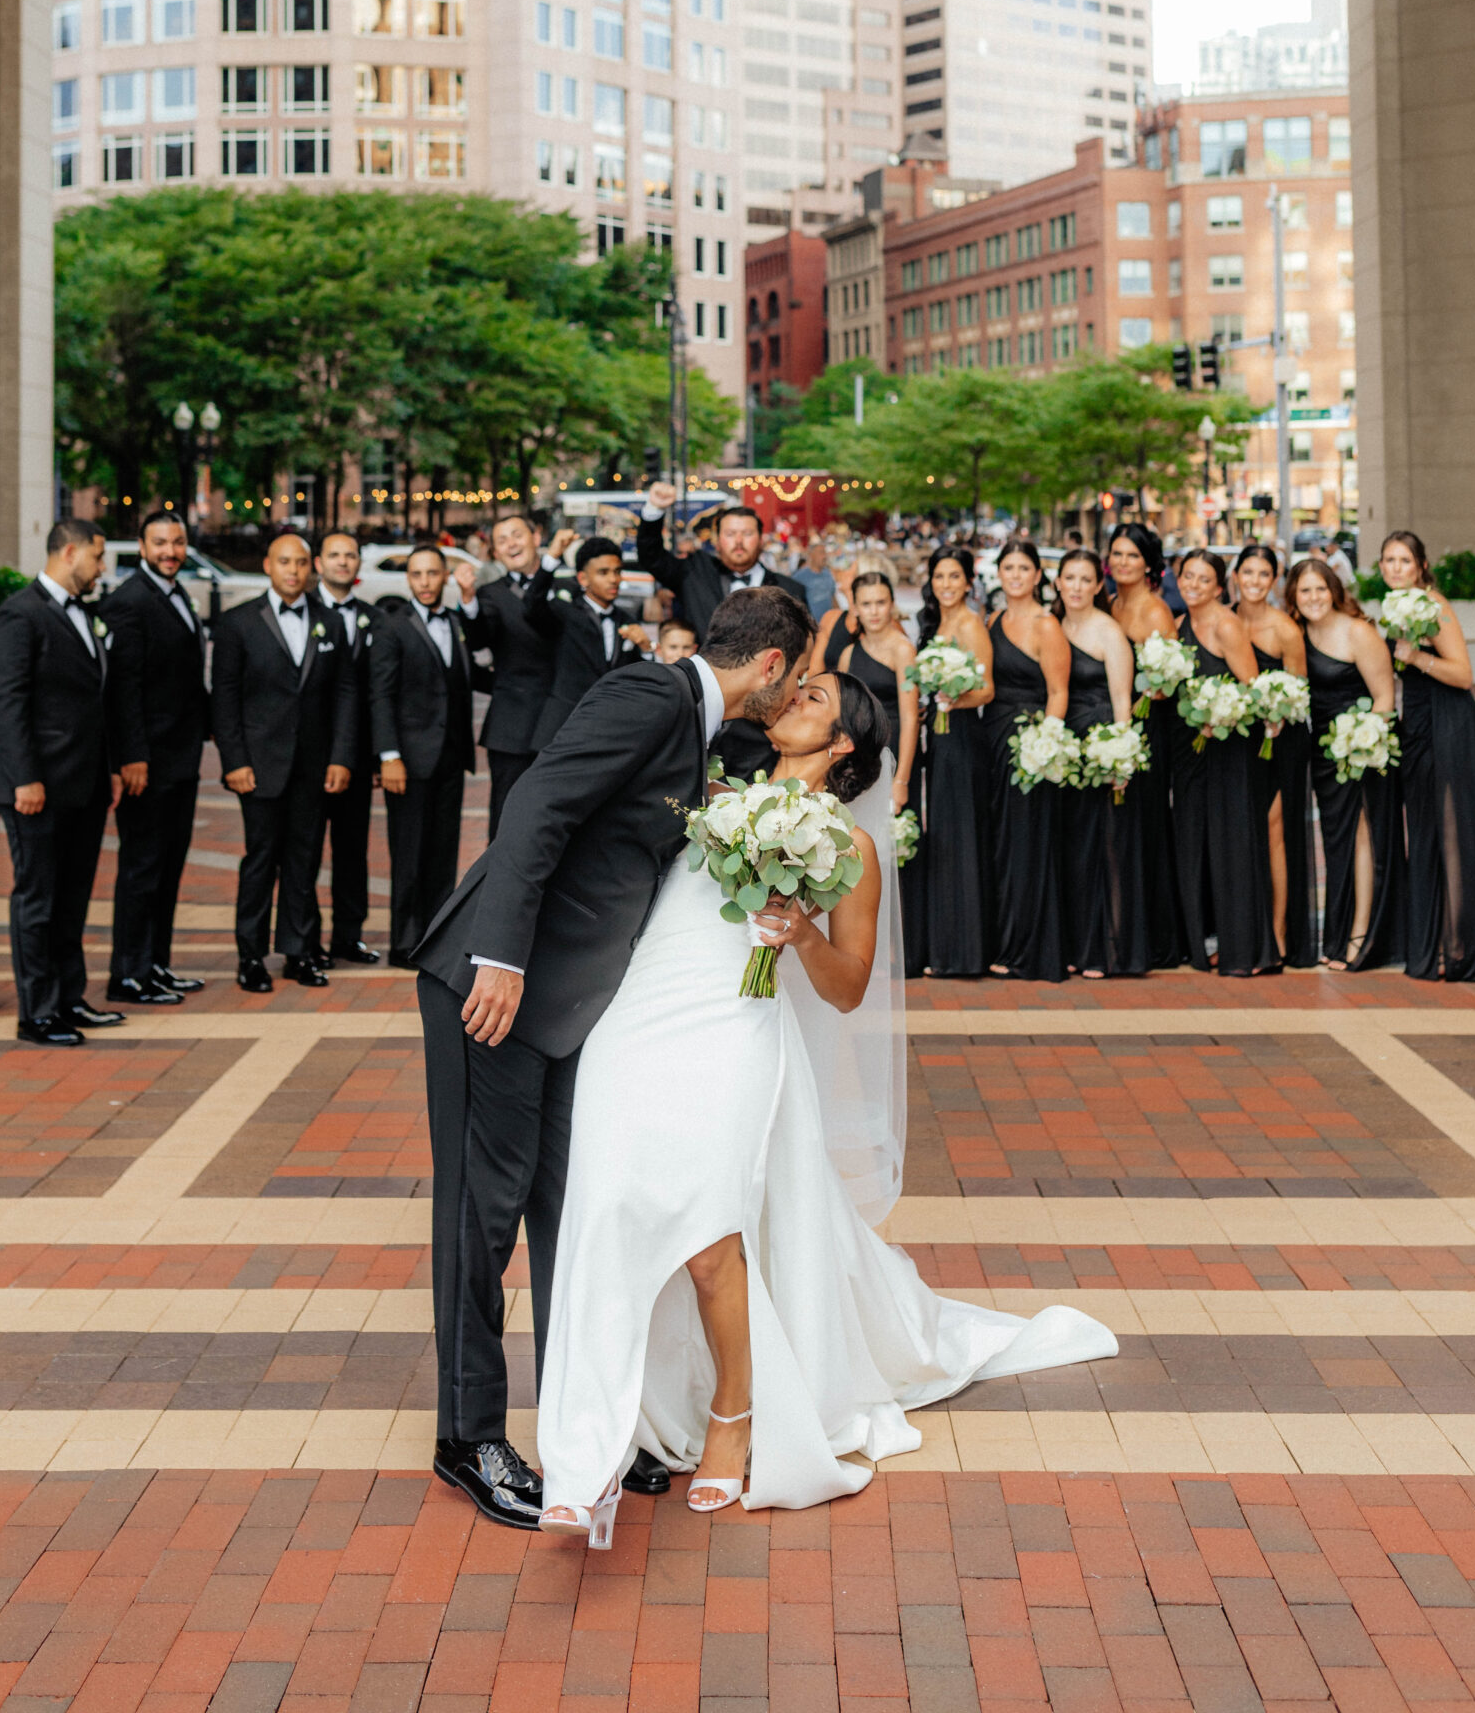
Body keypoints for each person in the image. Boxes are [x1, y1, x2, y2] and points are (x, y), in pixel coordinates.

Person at [535, 666, 1116, 1537]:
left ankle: (732, 1419)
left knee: (705, 1237)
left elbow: (847, 989)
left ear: (842, 744)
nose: (796, 699)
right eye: (798, 686)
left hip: (735, 1027)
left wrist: (801, 932)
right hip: (639, 1021)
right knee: (607, 1209)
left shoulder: (847, 845)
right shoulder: (712, 789)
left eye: (815, 699)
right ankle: (590, 1443)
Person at [413, 584, 817, 1532]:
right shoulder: (649, 694)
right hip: (496, 988)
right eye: (794, 675)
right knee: (484, 1212)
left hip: (571, 1008)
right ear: (768, 667)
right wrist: (501, 956)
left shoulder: (706, 728)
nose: (795, 690)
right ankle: (467, 1438)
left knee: (570, 1213)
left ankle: (581, 1429)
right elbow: (536, 807)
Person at [0, 519, 122, 1046]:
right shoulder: (18, 615)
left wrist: (106, 767)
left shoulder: (84, 613)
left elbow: (93, 704)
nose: (101, 566)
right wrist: (25, 778)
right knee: (37, 900)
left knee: (72, 898)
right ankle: (36, 1012)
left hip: (82, 784)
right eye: (98, 555)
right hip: (35, 786)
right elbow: (8, 703)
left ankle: (69, 997)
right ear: (70, 553)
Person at [211, 530, 362, 993]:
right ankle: (251, 956)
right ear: (267, 566)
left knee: (304, 861)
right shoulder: (238, 623)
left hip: (314, 766)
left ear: (311, 567)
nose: (294, 571)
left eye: (300, 563)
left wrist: (340, 757)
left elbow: (345, 694)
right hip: (259, 766)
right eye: (284, 562)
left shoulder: (330, 622)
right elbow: (224, 698)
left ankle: (298, 951)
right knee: (261, 860)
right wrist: (234, 760)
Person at [104, 509, 209, 1007]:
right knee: (142, 868)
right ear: (142, 547)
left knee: (168, 868)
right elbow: (123, 688)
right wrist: (132, 757)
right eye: (160, 543)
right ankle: (127, 972)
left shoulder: (175, 593)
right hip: (148, 763)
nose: (170, 551)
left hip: (180, 760)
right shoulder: (128, 602)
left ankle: (156, 965)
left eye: (178, 542)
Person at [636, 482, 808, 778]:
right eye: (730, 534)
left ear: (762, 539)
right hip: (700, 718)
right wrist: (654, 511)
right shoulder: (694, 571)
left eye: (747, 534)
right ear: (716, 540)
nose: (738, 541)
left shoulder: (790, 590)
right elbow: (651, 557)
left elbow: (800, 661)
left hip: (763, 730)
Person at [1379, 529, 1475, 982]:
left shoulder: (1434, 605)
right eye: (1388, 560)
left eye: (1404, 561)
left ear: (1421, 565)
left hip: (1453, 724)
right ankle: (1429, 948)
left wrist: (1415, 656)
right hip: (1420, 726)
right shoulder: (1395, 608)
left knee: (1454, 838)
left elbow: (1464, 674)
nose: (1395, 568)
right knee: (1423, 835)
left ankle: (1461, 950)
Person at [1287, 555, 1405, 970]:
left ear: (1334, 591)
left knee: (1362, 839)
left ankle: (1362, 937)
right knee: (1336, 844)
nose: (1314, 597)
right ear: (1294, 597)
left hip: (1362, 751)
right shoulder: (1296, 633)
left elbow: (1385, 699)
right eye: (1305, 590)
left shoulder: (1358, 632)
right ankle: (1336, 938)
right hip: (1322, 751)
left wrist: (1362, 745)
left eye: (1321, 588)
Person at [372, 544, 478, 968]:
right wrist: (389, 755)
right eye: (417, 574)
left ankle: (435, 937)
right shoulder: (391, 627)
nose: (426, 582)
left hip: (451, 756)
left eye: (433, 573)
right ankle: (404, 942)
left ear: (444, 576)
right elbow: (380, 694)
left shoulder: (455, 622)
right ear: (408, 579)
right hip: (410, 760)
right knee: (409, 852)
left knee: (442, 852)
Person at [1173, 550, 1275, 976]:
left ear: (1219, 587)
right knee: (1194, 845)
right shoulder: (1180, 625)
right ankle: (1201, 942)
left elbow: (1255, 693)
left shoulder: (1226, 625)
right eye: (1187, 576)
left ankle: (1241, 949)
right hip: (1191, 751)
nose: (1193, 585)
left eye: (1203, 580)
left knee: (1230, 847)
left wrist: (1223, 717)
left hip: (1228, 752)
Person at [1055, 548, 1150, 979]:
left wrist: (1120, 757)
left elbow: (1122, 701)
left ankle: (1107, 949)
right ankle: (1076, 944)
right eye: (1068, 578)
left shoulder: (1109, 631)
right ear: (1058, 582)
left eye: (1084, 579)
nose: (1075, 587)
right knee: (1072, 850)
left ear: (1098, 585)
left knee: (1104, 849)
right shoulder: (1054, 626)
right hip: (1063, 752)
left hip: (1100, 747)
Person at [904, 546, 993, 979]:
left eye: (954, 576)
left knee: (961, 836)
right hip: (938, 737)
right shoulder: (934, 622)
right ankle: (945, 943)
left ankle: (965, 951)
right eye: (939, 576)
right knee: (943, 835)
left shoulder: (971, 623)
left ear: (968, 581)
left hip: (962, 739)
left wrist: (949, 698)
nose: (946, 584)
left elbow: (987, 690)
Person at [985, 537, 1071, 981]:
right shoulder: (993, 619)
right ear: (998, 574)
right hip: (993, 741)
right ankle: (1005, 939)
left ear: (1038, 575)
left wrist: (1042, 747)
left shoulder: (1046, 625)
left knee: (1030, 845)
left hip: (1031, 747)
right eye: (1008, 568)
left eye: (1024, 568)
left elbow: (1058, 694)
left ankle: (1032, 949)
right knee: (1001, 845)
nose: (1015, 576)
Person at [1230, 542, 1316, 968]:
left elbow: (1300, 693)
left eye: (1264, 574)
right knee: (1242, 834)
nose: (1255, 582)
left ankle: (1280, 931)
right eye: (1248, 573)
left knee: (1274, 831)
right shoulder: (1225, 620)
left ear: (1274, 580)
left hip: (1281, 740)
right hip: (1236, 739)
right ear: (1236, 576)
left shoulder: (1285, 629)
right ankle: (1244, 927)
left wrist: (1278, 712)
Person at [1106, 523, 1184, 967]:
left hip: (1147, 730)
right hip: (1115, 727)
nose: (1122, 562)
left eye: (1132, 555)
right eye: (1117, 554)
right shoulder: (1110, 604)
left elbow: (1169, 680)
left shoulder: (1156, 612)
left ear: (1149, 563)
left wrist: (1146, 698)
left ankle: (1153, 938)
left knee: (1144, 827)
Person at [465, 510, 558, 836]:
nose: (511, 545)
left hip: (563, 721)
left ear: (536, 537)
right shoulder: (489, 594)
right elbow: (479, 638)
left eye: (517, 535)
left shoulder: (564, 587)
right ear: (495, 552)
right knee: (506, 820)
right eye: (501, 541)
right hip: (512, 727)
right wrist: (467, 603)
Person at [312, 530, 381, 965]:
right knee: (305, 852)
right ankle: (305, 943)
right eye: (334, 555)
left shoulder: (374, 619)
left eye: (350, 555)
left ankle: (348, 935)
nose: (343, 562)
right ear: (319, 562)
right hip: (310, 756)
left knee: (353, 850)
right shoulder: (307, 613)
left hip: (357, 755)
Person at [525, 532, 651, 747]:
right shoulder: (563, 612)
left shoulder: (627, 620)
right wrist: (552, 556)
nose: (614, 579)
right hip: (565, 727)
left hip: (611, 731)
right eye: (603, 572)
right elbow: (532, 603)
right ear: (583, 578)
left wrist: (647, 649)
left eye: (617, 571)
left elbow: (638, 677)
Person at [833, 570, 920, 816]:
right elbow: (841, 716)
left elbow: (910, 718)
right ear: (856, 607)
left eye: (880, 603)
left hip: (894, 751)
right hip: (859, 756)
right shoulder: (848, 653)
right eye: (866, 604)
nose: (874, 611)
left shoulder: (903, 650)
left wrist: (901, 780)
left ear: (891, 604)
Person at [795, 539, 838, 624]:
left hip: (830, 624)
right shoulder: (799, 577)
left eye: (825, 553)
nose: (825, 556)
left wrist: (839, 616)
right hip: (812, 626)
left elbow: (833, 597)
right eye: (821, 553)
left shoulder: (828, 573)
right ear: (811, 555)